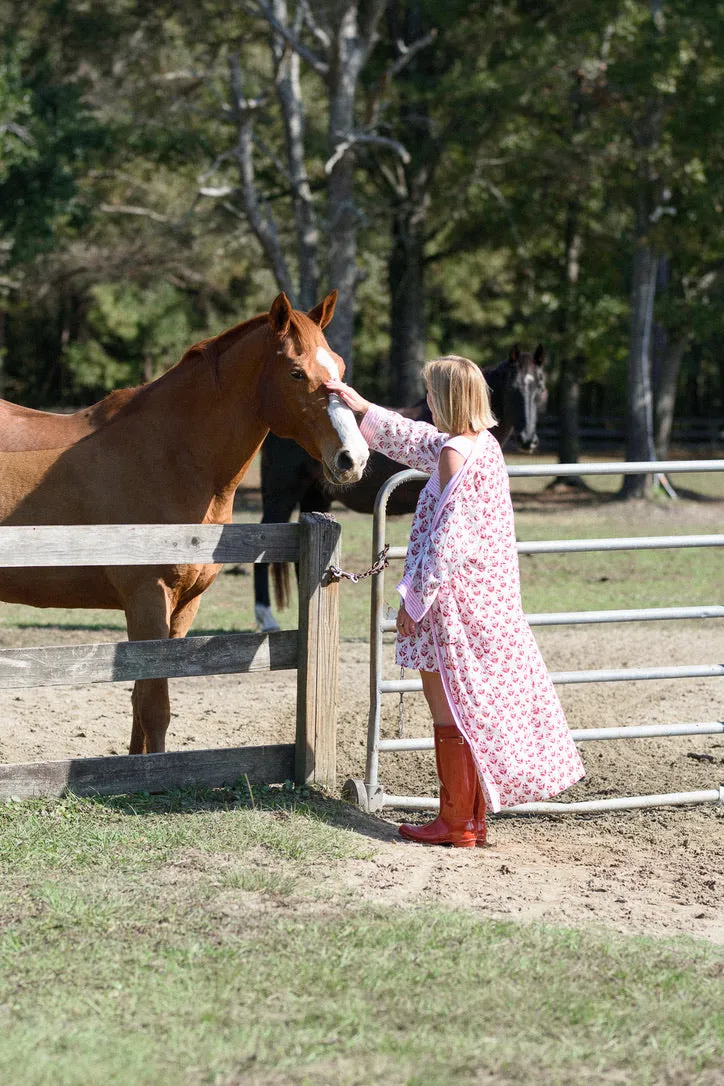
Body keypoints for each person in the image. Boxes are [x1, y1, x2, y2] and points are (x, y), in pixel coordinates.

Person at [326, 357, 585, 848]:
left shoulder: (453, 456)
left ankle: (455, 822)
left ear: (446, 399)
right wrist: (359, 405)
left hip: (452, 607)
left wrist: (414, 602)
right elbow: (415, 440)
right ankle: (471, 819)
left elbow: (447, 543)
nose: (425, 402)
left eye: (430, 394)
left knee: (447, 710)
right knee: (467, 707)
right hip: (482, 601)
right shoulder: (481, 444)